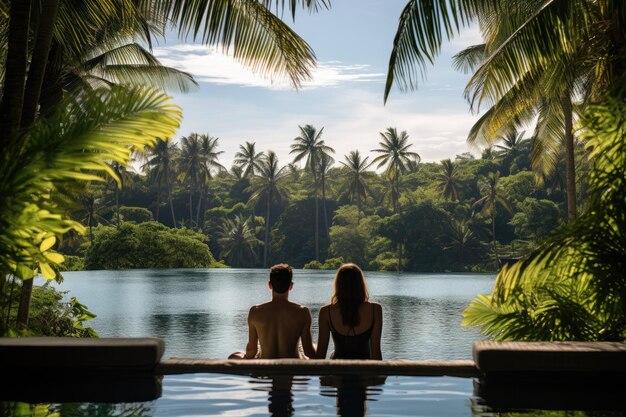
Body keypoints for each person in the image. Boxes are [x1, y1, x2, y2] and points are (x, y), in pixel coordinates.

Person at [229, 264, 316, 359]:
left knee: (234, 355)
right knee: (314, 346)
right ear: (291, 286)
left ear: (270, 285)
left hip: (266, 365)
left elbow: (251, 351)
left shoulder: (255, 311)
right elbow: (309, 352)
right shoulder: (303, 312)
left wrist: (245, 357)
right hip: (292, 366)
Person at [316, 263, 383, 360]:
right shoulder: (375, 309)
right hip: (364, 371)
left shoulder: (326, 312)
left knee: (332, 354)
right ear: (361, 284)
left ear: (338, 284)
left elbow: (320, 356)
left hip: (338, 371)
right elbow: (376, 353)